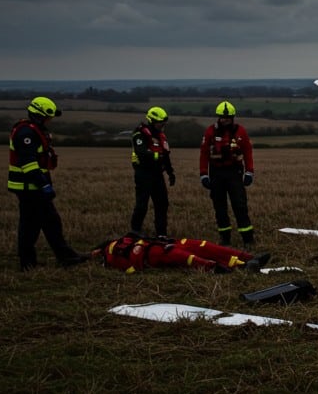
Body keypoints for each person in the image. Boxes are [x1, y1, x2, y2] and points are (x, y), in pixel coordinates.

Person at [7, 96, 87, 270]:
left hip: (33, 185)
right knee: (42, 223)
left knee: (39, 223)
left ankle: (35, 261)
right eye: (48, 117)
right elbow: (28, 164)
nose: (50, 121)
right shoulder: (26, 134)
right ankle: (58, 258)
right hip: (28, 186)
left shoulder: (33, 130)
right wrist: (43, 185)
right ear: (39, 116)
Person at [200, 101, 256, 245]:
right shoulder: (210, 131)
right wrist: (203, 174)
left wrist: (249, 172)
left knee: (240, 205)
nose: (224, 120)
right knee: (220, 208)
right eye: (222, 117)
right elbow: (204, 154)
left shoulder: (240, 131)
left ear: (232, 117)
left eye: (227, 117)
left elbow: (247, 152)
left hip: (234, 172)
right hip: (216, 173)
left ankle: (248, 239)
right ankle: (225, 239)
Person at [92, 233, 269, 274]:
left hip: (161, 244)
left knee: (203, 246)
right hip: (152, 254)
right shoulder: (109, 259)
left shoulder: (125, 239)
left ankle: (248, 258)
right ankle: (240, 266)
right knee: (186, 257)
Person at [130, 106, 175, 237]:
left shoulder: (161, 136)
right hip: (143, 174)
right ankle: (135, 231)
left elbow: (166, 156)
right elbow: (142, 152)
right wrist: (157, 155)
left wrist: (170, 172)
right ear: (152, 121)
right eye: (160, 123)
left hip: (157, 175)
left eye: (164, 123)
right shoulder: (139, 134)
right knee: (142, 204)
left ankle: (161, 233)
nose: (162, 126)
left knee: (162, 204)